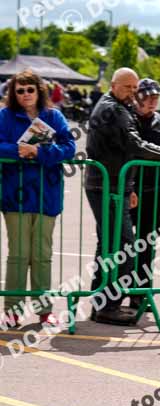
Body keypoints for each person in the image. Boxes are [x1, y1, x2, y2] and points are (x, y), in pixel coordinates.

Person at [85, 68, 160, 325]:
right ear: (113, 85)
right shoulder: (114, 110)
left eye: (135, 88)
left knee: (110, 246)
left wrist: (129, 187)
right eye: (127, 87)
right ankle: (108, 305)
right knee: (125, 248)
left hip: (114, 185)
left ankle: (101, 303)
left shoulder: (117, 107)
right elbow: (136, 147)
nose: (132, 93)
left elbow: (123, 151)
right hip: (107, 186)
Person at [0, 69, 76, 327]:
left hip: (47, 195)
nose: (25, 95)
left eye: (30, 89)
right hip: (15, 196)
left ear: (39, 90)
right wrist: (19, 150)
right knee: (19, 254)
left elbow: (69, 148)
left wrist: (40, 152)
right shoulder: (5, 116)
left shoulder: (53, 116)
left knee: (42, 254)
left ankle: (45, 310)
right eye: (20, 90)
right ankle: (12, 310)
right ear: (13, 93)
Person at [128, 79, 160, 311]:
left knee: (146, 245)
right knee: (121, 244)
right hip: (127, 191)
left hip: (152, 195)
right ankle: (118, 291)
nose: (151, 101)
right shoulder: (127, 120)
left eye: (155, 97)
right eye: (147, 96)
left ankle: (141, 292)